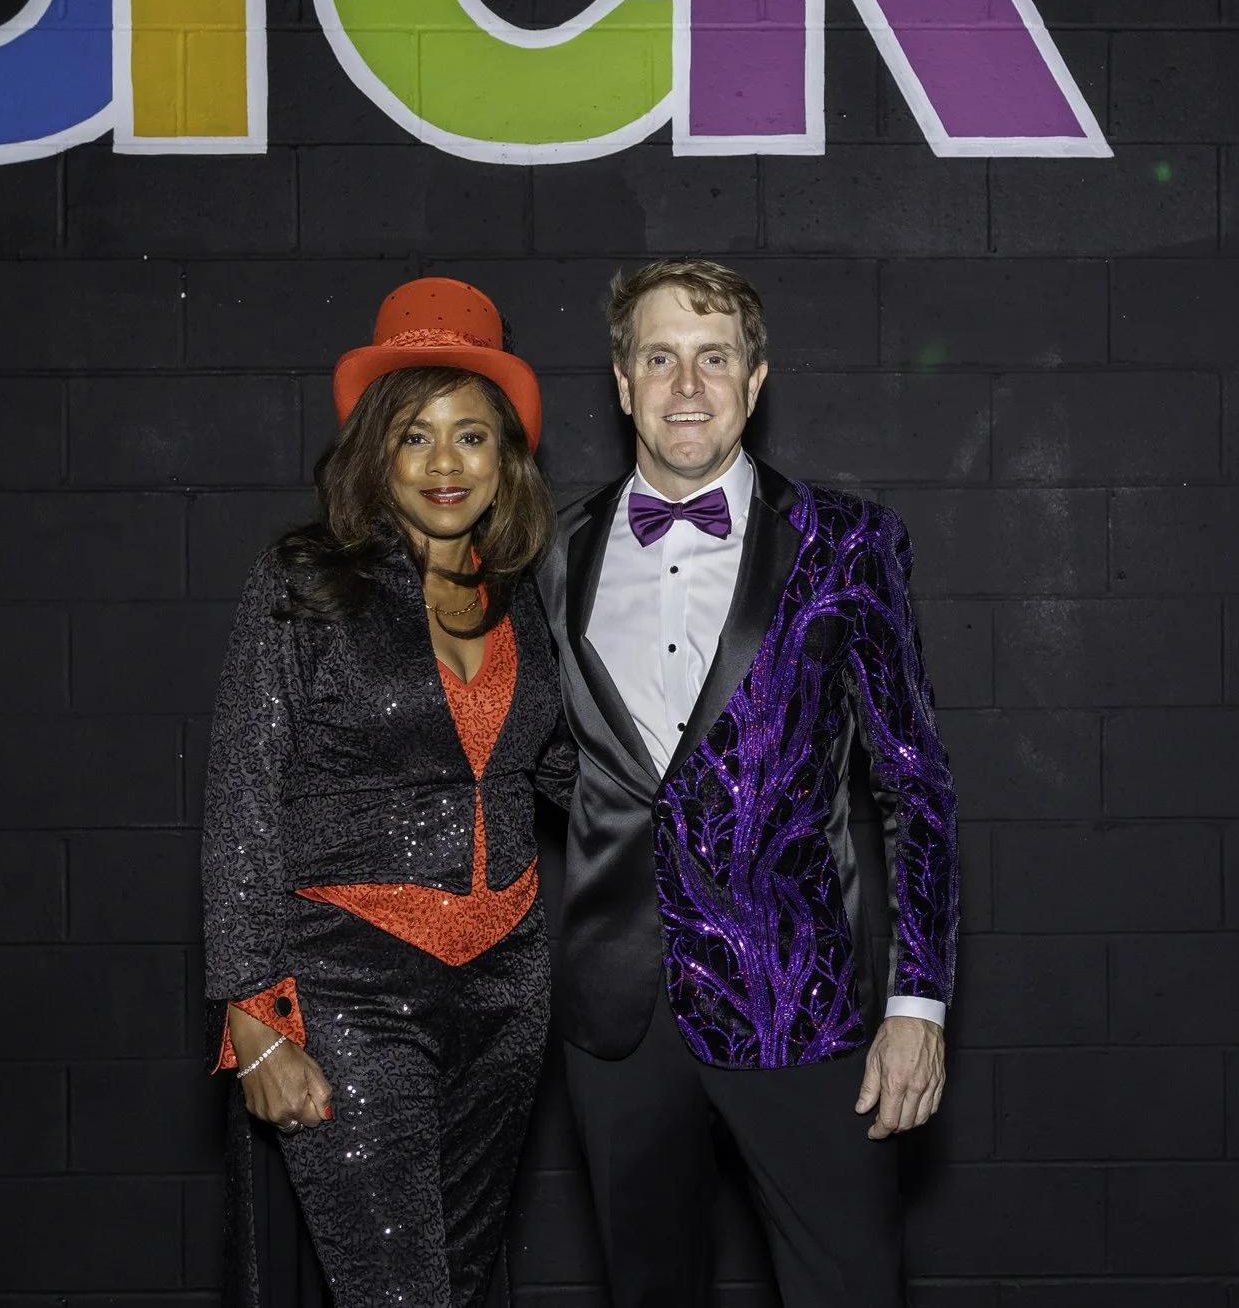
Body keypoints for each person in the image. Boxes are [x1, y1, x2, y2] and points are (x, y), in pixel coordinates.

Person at [536, 258, 960, 1308]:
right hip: (616, 1012)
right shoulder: (552, 552)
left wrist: (918, 1002)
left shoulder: (848, 543)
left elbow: (914, 786)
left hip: (799, 1000)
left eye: (714, 358)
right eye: (659, 358)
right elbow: (549, 758)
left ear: (755, 379)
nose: (687, 386)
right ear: (622, 383)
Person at [203, 277, 559, 1308]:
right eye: (415, 436)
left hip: (507, 990)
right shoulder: (305, 580)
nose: (446, 464)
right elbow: (241, 796)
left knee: (459, 1283)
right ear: (377, 451)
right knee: (394, 1289)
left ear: (506, 455)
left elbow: (560, 767)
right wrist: (254, 1014)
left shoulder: (522, 596)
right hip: (347, 986)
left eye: (471, 436)